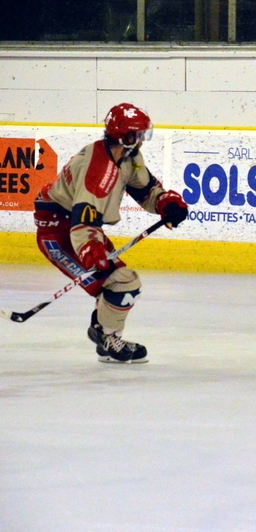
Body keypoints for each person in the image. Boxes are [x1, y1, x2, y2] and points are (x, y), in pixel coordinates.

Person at [33, 103, 188, 363]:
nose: (142, 139)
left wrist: (166, 203)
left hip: (80, 229)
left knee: (118, 283)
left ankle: (104, 336)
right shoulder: (97, 169)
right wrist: (90, 250)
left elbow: (145, 189)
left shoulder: (128, 156)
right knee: (122, 283)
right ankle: (107, 338)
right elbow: (82, 220)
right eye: (139, 134)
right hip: (59, 233)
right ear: (125, 136)